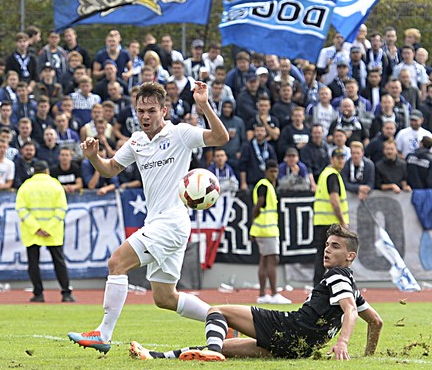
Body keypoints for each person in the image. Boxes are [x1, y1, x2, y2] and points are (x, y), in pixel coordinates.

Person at [68, 80, 228, 354]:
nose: (145, 116)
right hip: (159, 223)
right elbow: (109, 170)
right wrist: (94, 158)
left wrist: (204, 105)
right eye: (140, 110)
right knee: (165, 298)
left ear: (164, 110)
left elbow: (220, 138)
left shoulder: (180, 134)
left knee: (116, 262)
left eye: (151, 110)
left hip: (172, 221)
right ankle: (220, 319)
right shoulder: (137, 141)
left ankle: (103, 334)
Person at [130, 225, 382, 362]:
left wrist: (343, 342)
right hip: (300, 348)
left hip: (290, 329)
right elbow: (376, 322)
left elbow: (349, 310)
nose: (327, 250)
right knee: (226, 346)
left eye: (335, 247)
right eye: (327, 245)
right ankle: (154, 356)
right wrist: (366, 358)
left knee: (216, 311)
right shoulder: (350, 284)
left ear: (350, 256)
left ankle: (212, 352)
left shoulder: (337, 276)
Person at [16, 160, 74, 303]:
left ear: (34, 172)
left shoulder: (25, 186)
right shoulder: (55, 185)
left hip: (32, 232)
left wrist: (36, 228)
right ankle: (66, 293)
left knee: (33, 264)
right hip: (53, 231)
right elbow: (62, 209)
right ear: (47, 171)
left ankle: (38, 294)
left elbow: (21, 209)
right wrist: (49, 228)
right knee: (59, 262)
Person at [251, 160, 290, 304]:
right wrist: (253, 220)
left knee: (264, 260)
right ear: (266, 171)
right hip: (267, 230)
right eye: (271, 171)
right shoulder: (265, 186)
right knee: (272, 261)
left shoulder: (266, 186)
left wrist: (254, 226)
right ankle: (274, 294)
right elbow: (259, 203)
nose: (274, 174)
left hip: (262, 228)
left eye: (276, 171)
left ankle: (262, 295)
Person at [313, 147, 349, 285]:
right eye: (338, 158)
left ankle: (317, 287)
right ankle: (330, 287)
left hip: (322, 222)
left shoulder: (325, 174)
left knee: (323, 256)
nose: (341, 161)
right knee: (334, 257)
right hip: (331, 224)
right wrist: (343, 221)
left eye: (342, 158)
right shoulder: (332, 175)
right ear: (332, 159)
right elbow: (334, 201)